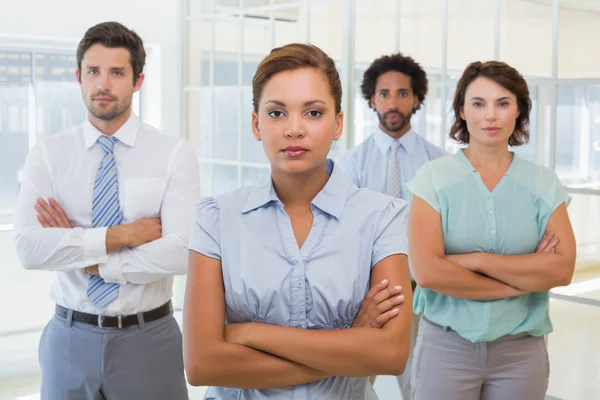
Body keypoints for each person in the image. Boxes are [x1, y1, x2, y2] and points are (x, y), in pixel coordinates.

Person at [183, 43, 413, 400]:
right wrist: (351, 343)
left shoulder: (382, 216)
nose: (294, 130)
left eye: (313, 113)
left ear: (338, 123)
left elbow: (391, 355)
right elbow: (201, 365)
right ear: (256, 124)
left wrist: (249, 333)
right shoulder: (216, 218)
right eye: (276, 113)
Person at [13, 22, 199, 400]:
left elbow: (182, 252)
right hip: (68, 338)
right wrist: (123, 236)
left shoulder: (173, 153)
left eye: (117, 73)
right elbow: (29, 249)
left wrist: (89, 258)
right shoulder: (49, 154)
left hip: (149, 339)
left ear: (138, 80)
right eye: (94, 72)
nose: (103, 84)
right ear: (78, 76)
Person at [406, 61, 576, 400]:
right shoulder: (433, 178)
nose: (491, 116)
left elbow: (562, 268)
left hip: (521, 352)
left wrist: (475, 260)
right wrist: (524, 276)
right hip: (446, 347)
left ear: (519, 110)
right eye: (478, 103)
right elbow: (425, 272)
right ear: (462, 111)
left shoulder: (542, 183)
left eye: (503, 103)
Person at [338, 53, 446, 399]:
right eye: (384, 94)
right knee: (354, 382)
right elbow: (345, 229)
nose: (393, 102)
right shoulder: (351, 163)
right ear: (372, 99)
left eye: (402, 93)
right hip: (365, 291)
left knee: (420, 383)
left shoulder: (439, 163)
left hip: (421, 291)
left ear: (416, 99)